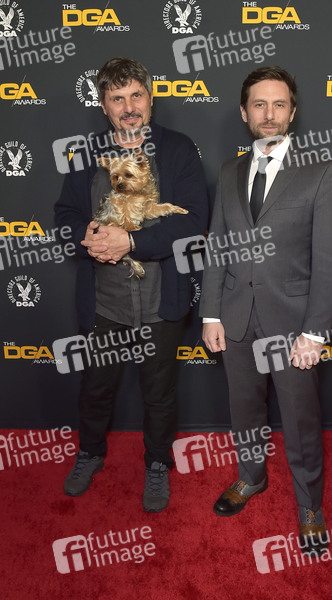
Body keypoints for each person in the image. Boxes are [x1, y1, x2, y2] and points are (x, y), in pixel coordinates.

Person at [199, 66, 332, 553]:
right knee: (244, 409)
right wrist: (211, 314)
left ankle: (310, 505)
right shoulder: (229, 172)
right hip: (236, 316)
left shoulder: (320, 173)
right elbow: (218, 247)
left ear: (292, 112)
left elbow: (328, 259)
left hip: (292, 323)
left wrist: (315, 332)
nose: (269, 114)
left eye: (279, 104)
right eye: (259, 104)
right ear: (244, 113)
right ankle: (252, 476)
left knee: (301, 419)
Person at [54, 57, 208, 512]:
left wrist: (132, 242)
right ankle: (89, 453)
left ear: (150, 97)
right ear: (103, 105)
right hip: (104, 302)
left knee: (159, 394)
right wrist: (88, 239)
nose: (129, 107)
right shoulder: (85, 153)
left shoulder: (179, 149)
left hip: (162, 301)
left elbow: (193, 222)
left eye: (136, 95)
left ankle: (157, 462)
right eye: (117, 98)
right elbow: (65, 216)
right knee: (95, 389)